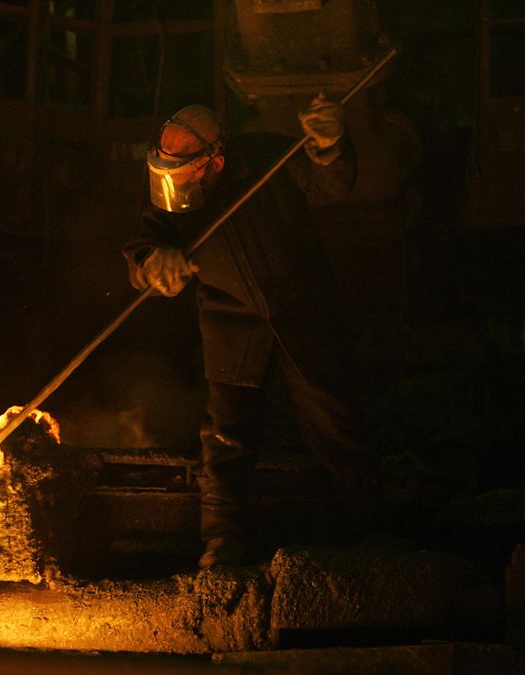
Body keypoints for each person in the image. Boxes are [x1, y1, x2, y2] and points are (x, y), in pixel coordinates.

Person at [123, 97, 381, 569]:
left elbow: (330, 185)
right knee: (225, 439)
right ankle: (222, 544)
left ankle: (368, 535)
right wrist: (153, 261)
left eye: (184, 173)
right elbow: (146, 241)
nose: (171, 184)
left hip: (302, 312)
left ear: (215, 161)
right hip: (231, 321)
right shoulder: (167, 187)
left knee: (335, 424)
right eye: (164, 171)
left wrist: (330, 147)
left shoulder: (269, 156)